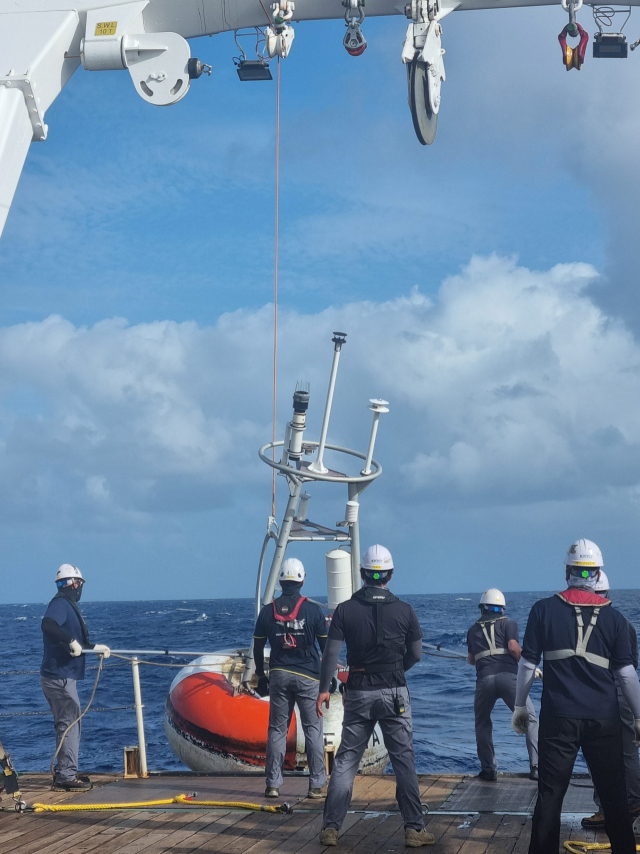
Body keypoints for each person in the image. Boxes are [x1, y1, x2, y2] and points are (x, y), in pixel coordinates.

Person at [512, 539, 640, 854]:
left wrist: (518, 706)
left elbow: (528, 665)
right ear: (597, 574)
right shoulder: (617, 620)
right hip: (605, 721)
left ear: (567, 571)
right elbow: (626, 675)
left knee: (550, 798)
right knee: (614, 798)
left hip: (558, 719)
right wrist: (638, 717)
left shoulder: (542, 610)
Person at [316, 545, 433, 848]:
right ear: (390, 574)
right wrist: (398, 669)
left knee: (345, 762)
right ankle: (414, 829)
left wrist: (324, 689)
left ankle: (330, 828)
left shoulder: (345, 609)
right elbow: (417, 654)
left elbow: (331, 653)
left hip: (358, 691)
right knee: (404, 761)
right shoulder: (405, 610)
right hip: (395, 691)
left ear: (362, 574)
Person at [253, 558, 328, 799]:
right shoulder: (314, 611)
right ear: (302, 580)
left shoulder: (268, 611)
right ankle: (316, 785)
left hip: (279, 676)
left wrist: (260, 675)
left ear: (280, 582)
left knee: (277, 730)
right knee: (313, 730)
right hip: (308, 677)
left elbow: (257, 647)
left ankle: (273, 785)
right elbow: (327, 649)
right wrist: (328, 681)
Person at [40, 564, 110, 791]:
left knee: (69, 724)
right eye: (79, 584)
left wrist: (92, 647)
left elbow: (73, 640)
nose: (80, 588)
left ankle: (66, 770)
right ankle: (66, 776)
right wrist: (70, 641)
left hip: (62, 677)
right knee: (68, 725)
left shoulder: (65, 606)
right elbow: (48, 626)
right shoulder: (60, 604)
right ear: (74, 584)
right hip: (59, 678)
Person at [582, 569, 640, 829]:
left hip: (602, 694)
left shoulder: (589, 625)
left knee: (600, 753)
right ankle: (634, 802)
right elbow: (631, 666)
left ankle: (607, 808)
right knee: (628, 751)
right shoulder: (623, 623)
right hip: (624, 694)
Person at [467, 589, 539, 781]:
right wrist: (530, 666)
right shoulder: (509, 624)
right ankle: (536, 766)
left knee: (482, 723)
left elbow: (472, 660)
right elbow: (514, 648)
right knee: (530, 718)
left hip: (484, 681)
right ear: (502, 609)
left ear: (482, 609)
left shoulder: (473, 630)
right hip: (509, 678)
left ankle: (489, 770)